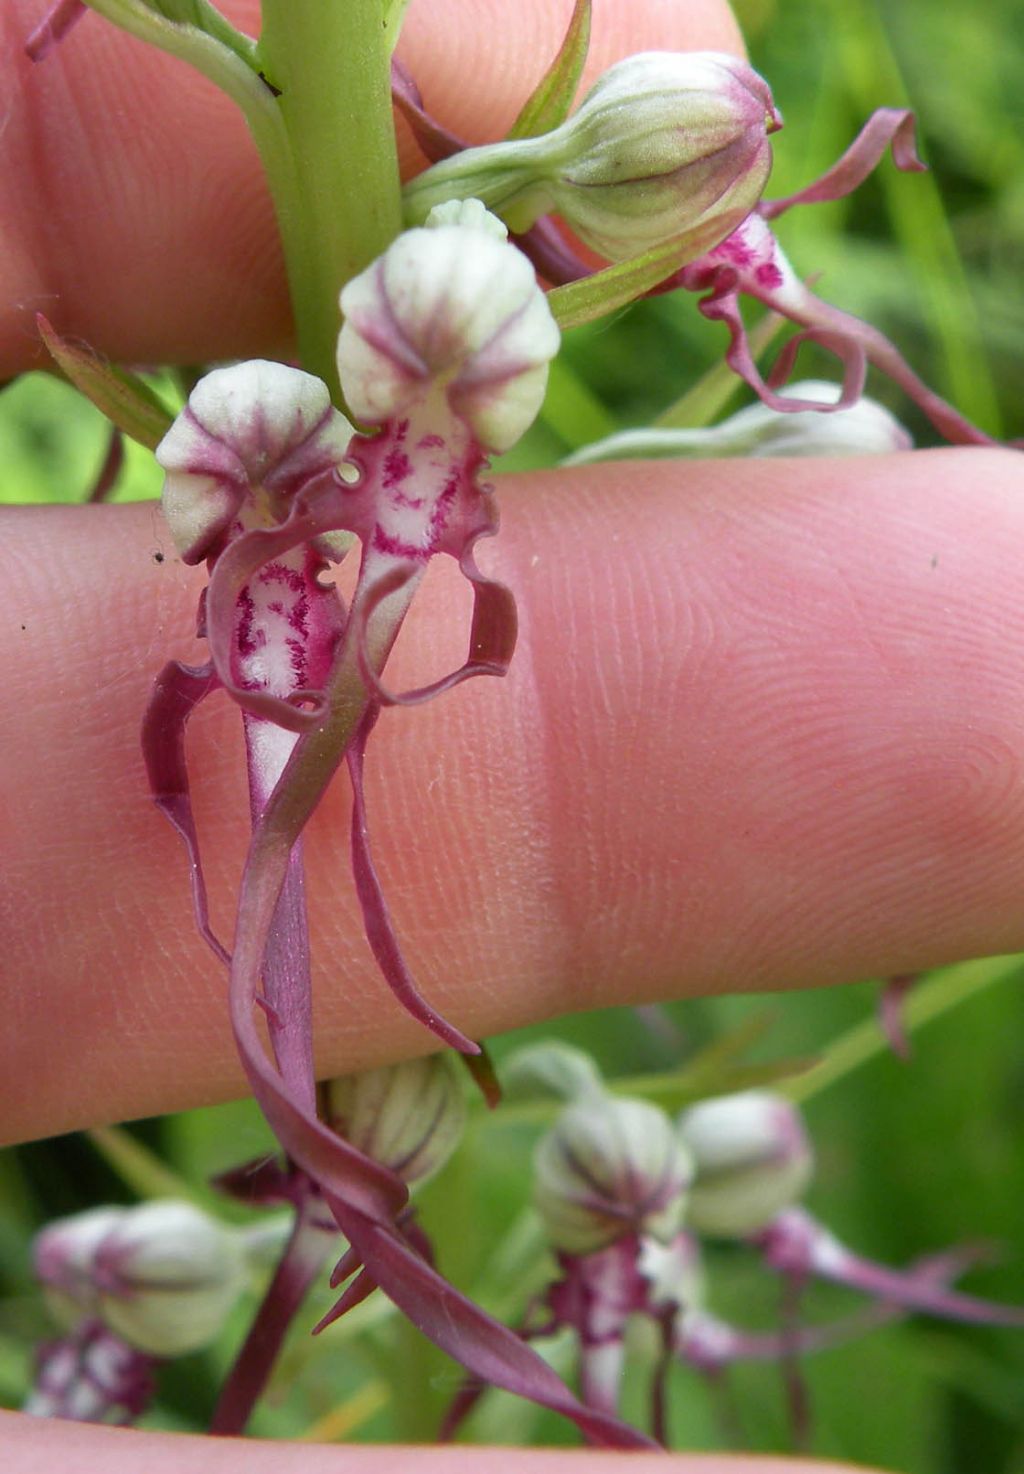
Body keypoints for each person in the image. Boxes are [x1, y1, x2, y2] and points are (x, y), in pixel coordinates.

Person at [1, 0, 1021, 1468]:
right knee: (292, 926)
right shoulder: (289, 434)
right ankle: (333, 1186)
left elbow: (689, 152)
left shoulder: (465, 299)